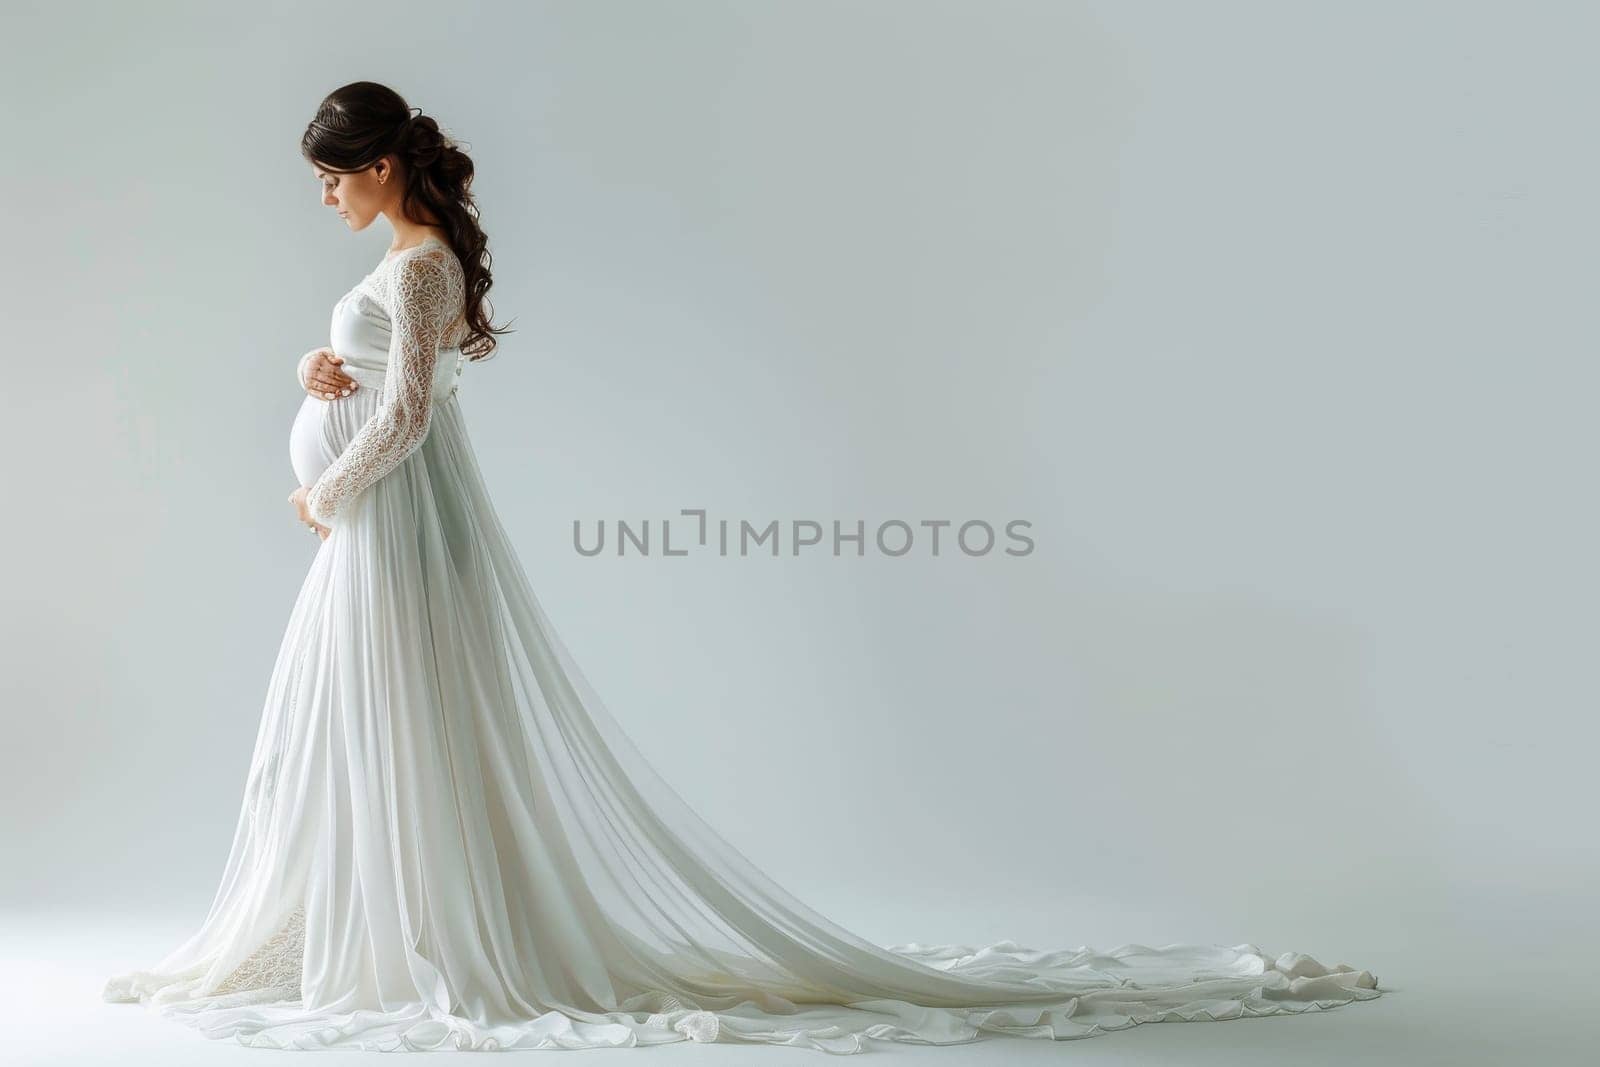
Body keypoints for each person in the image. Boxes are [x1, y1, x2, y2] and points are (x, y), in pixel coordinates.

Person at [102, 81, 1384, 1053]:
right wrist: (313, 375)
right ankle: (379, 912)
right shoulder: (398, 263)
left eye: (331, 180)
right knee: (352, 712)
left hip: (386, 510)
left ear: (379, 168)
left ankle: (429, 925)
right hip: (374, 511)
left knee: (397, 705)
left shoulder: (423, 261)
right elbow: (377, 379)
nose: (323, 199)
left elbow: (413, 414)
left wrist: (319, 484)